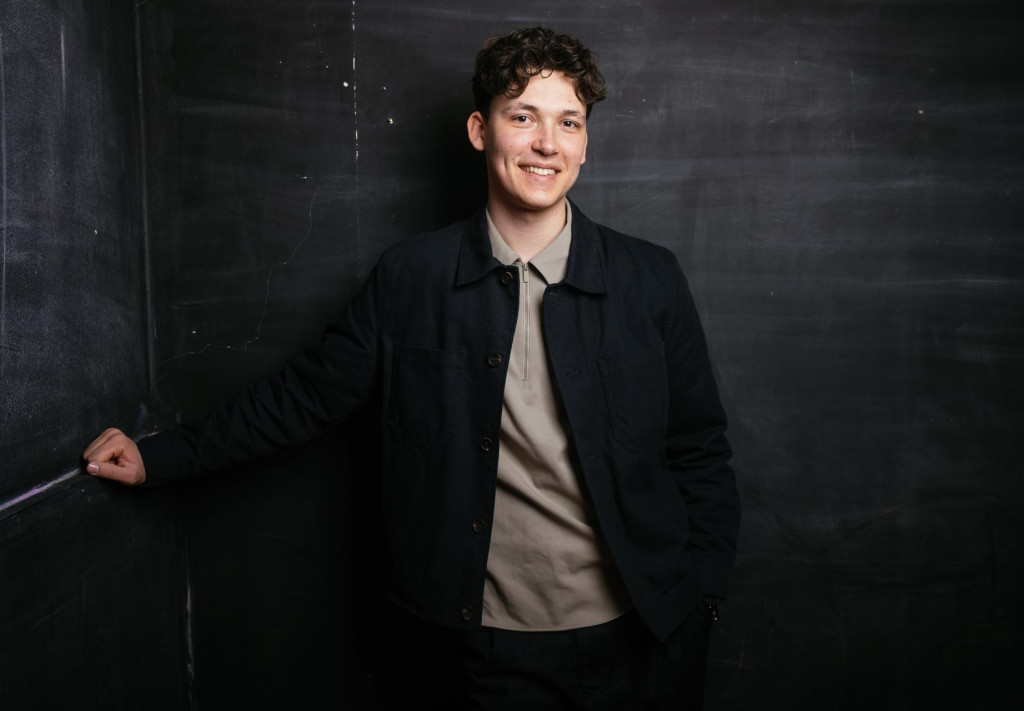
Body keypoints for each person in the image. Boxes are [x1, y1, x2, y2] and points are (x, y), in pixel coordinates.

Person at [83, 26, 739, 709]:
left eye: (568, 122)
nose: (548, 143)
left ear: (584, 142)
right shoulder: (411, 278)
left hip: (645, 637)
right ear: (480, 131)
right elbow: (303, 397)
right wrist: (160, 457)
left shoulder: (649, 279)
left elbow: (699, 448)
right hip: (484, 651)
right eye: (523, 117)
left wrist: (702, 598)